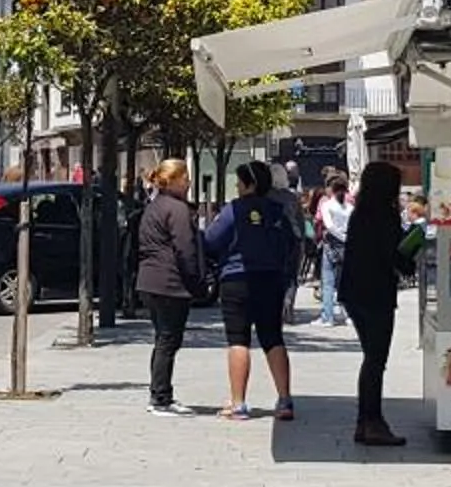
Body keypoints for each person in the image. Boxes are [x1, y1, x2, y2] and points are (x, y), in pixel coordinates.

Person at [201, 159, 299, 421]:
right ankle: (285, 400)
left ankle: (239, 403)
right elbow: (290, 243)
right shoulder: (278, 211)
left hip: (236, 279)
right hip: (270, 279)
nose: (237, 186)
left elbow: (210, 240)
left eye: (240, 182)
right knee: (273, 338)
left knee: (238, 339)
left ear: (250, 184)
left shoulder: (233, 210)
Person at [341, 162, 416, 447]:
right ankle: (372, 421)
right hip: (376, 293)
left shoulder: (360, 214)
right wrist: (411, 252)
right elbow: (393, 256)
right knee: (376, 359)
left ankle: (365, 421)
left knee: (371, 358)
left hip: (355, 291)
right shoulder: (385, 215)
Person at [132, 159, 210, 415]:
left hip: (150, 281)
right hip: (169, 283)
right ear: (173, 180)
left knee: (162, 339)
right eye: (185, 177)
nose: (188, 182)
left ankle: (160, 394)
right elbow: (185, 249)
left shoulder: (153, 207)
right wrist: (197, 281)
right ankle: (160, 397)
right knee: (168, 340)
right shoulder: (176, 210)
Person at [312, 176, 352, 328]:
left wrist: (340, 237)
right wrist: (347, 238)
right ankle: (348, 315)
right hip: (347, 246)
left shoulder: (327, 205)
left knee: (328, 282)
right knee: (345, 282)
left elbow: (328, 225)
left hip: (332, 245)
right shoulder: (349, 208)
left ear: (332, 190)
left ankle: (327, 317)